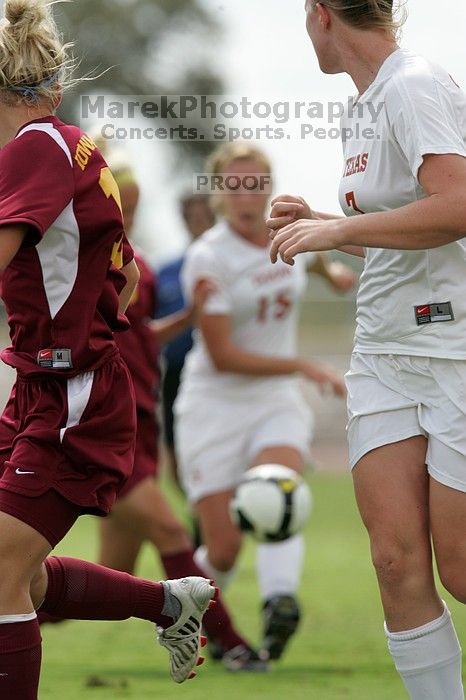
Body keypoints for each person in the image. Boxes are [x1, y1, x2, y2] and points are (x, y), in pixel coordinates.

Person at [0, 1, 216, 695]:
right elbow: (122, 278)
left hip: (72, 395)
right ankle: (168, 603)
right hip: (47, 385)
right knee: (20, 578)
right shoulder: (75, 147)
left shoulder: (33, 149)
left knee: (1, 576)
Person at [268, 1, 466, 698]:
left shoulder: (413, 83)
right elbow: (396, 227)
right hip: (383, 352)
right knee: (393, 561)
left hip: (454, 349)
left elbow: (459, 205)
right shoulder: (362, 105)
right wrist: (328, 222)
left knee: (463, 571)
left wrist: (330, 236)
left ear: (321, 14)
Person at [175, 142, 353, 663]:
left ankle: (280, 604)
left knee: (278, 491)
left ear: (269, 188)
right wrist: (302, 365)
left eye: (255, 184)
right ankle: (179, 617)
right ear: (218, 193)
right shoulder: (208, 257)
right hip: (214, 404)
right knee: (224, 551)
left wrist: (333, 275)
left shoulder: (288, 235)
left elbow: (311, 263)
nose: (245, 195)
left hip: (274, 400)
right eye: (233, 185)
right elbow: (225, 356)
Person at [95, 147, 267, 672]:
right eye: (120, 199)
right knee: (173, 534)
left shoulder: (132, 255)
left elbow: (135, 334)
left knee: (94, 584)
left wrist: (189, 314)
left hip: (138, 424)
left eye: (133, 202)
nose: (127, 209)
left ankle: (15, 609)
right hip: (102, 429)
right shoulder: (85, 257)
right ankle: (231, 643)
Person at [156, 194, 215, 486]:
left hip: (219, 371)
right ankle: (202, 521)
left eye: (206, 217)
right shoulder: (165, 272)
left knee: (216, 457)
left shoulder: (226, 265)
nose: (200, 224)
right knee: (178, 466)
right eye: (194, 218)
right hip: (176, 374)